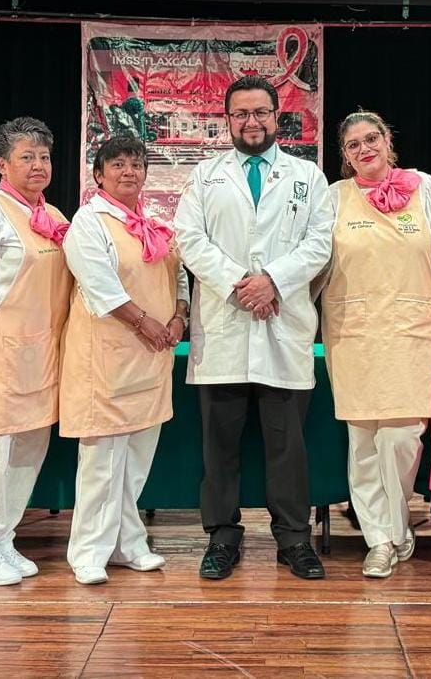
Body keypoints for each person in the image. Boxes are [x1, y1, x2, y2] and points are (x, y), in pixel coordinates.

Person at [174, 76, 334, 581]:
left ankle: (294, 538)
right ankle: (222, 536)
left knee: (288, 447)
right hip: (225, 325)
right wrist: (240, 284)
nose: (251, 122)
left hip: (283, 325)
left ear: (276, 116)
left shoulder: (307, 176)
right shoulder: (205, 176)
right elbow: (189, 239)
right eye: (241, 113)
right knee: (219, 446)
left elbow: (320, 243)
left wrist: (273, 282)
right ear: (227, 120)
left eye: (260, 112)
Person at [318, 110, 431, 579]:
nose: (365, 149)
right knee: (363, 442)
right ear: (345, 155)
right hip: (354, 332)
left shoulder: (425, 187)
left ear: (388, 140)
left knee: (401, 436)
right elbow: (318, 262)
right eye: (353, 145)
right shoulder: (334, 197)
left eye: (371, 138)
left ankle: (395, 524)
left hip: (413, 330)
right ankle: (380, 540)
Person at [59, 136, 189, 585]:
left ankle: (126, 544)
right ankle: (88, 552)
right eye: (117, 164)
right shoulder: (89, 223)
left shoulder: (153, 225)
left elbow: (179, 277)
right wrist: (145, 322)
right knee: (102, 463)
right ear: (99, 175)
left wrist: (179, 316)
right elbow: (100, 285)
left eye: (136, 164)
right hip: (108, 359)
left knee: (135, 462)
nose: (128, 171)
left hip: (151, 358)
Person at [0, 117, 72, 585]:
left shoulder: (53, 215)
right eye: (27, 157)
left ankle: (2, 539)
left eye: (44, 157)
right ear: (3, 164)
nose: (38, 165)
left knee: (28, 448)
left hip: (42, 353)